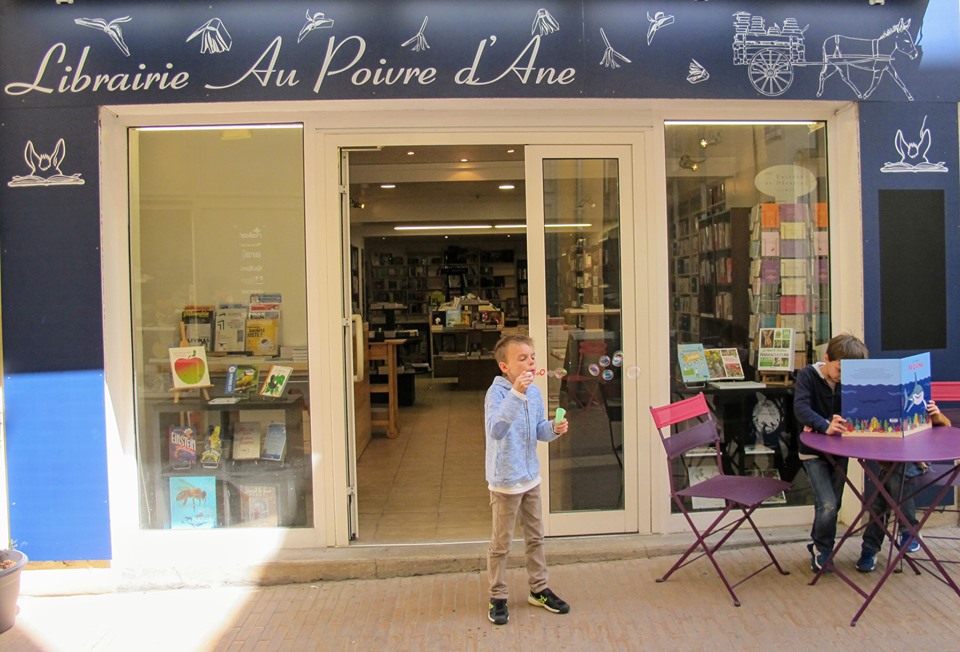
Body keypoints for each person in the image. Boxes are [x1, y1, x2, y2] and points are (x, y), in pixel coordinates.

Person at [483, 334, 570, 626]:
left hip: (530, 477)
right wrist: (516, 394)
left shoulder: (535, 393)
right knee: (501, 544)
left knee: (535, 538)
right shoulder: (496, 394)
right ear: (504, 367)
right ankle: (497, 596)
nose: (530, 362)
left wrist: (554, 428)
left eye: (532, 357)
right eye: (522, 358)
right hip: (505, 481)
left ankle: (539, 589)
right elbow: (496, 430)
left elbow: (539, 432)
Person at [794, 333, 869, 572]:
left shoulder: (849, 382)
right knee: (826, 503)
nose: (843, 377)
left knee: (834, 503)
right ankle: (823, 548)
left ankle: (818, 543)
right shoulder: (807, 376)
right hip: (812, 452)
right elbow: (801, 408)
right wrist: (824, 424)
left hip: (839, 452)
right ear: (826, 358)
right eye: (839, 369)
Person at [856, 401, 953, 572]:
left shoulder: (921, 402)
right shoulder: (876, 405)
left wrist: (937, 416)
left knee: (893, 476)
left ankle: (870, 549)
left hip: (917, 463)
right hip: (892, 465)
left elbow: (947, 427)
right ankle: (909, 531)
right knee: (887, 485)